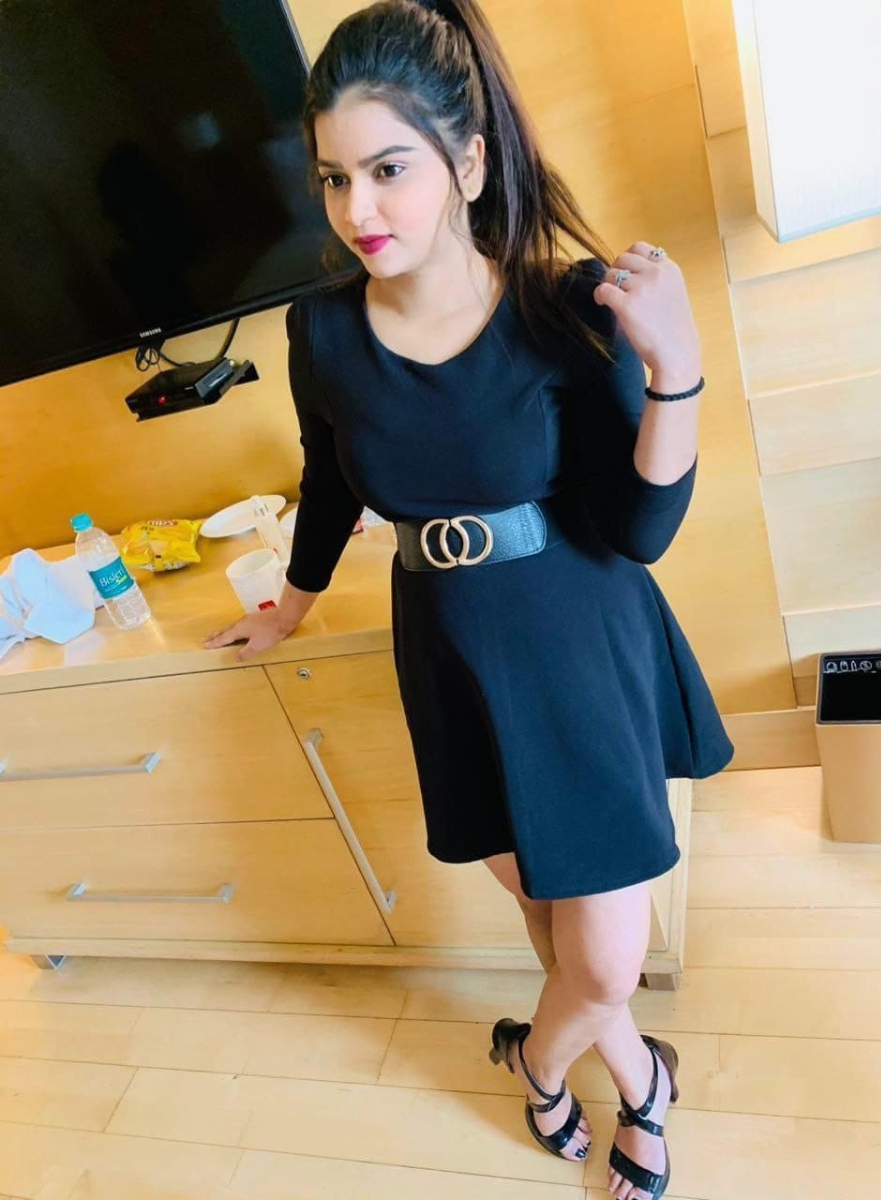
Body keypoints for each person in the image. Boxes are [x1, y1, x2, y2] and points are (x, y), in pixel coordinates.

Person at [204, 1, 735, 1195]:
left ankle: (550, 1067)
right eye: (335, 178)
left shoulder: (561, 306)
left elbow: (641, 531)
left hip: (578, 640)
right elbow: (329, 478)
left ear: (470, 163)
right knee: (550, 916)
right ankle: (637, 1081)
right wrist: (290, 604)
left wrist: (678, 370)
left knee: (605, 961)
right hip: (447, 648)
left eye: (389, 169)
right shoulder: (321, 332)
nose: (358, 209)